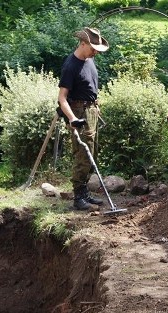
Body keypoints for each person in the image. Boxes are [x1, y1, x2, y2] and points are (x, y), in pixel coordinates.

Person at [58, 26, 109, 211]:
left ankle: (85, 192)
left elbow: (90, 87)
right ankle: (78, 197)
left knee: (92, 153)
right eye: (93, 47)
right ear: (83, 43)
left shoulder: (89, 60)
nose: (96, 51)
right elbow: (62, 98)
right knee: (83, 153)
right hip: (78, 112)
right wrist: (72, 118)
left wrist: (96, 107)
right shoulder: (71, 65)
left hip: (91, 110)